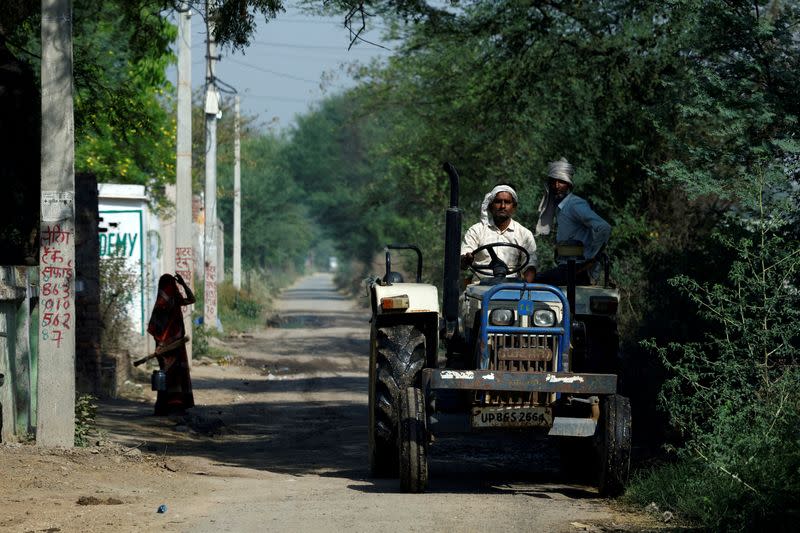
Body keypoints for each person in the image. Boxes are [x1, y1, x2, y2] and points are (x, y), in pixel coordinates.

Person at [535, 158, 611, 285]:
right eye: (554, 182)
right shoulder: (560, 208)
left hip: (578, 269)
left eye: (561, 182)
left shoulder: (574, 204)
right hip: (566, 267)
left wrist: (591, 257)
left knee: (533, 281)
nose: (557, 186)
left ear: (569, 184)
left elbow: (604, 227)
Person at [460, 183, 537, 282]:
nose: (502, 206)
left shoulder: (524, 234)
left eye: (507, 202)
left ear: (514, 207)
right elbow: (462, 262)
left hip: (511, 290)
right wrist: (466, 259)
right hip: (479, 290)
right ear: (491, 206)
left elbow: (530, 266)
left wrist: (525, 288)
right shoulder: (476, 230)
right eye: (498, 202)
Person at [147, 273, 195, 416]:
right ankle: (165, 407)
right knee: (167, 375)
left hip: (175, 345)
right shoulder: (163, 304)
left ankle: (174, 406)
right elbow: (158, 328)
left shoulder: (173, 300)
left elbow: (192, 299)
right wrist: (161, 345)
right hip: (166, 347)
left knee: (175, 374)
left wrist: (183, 284)